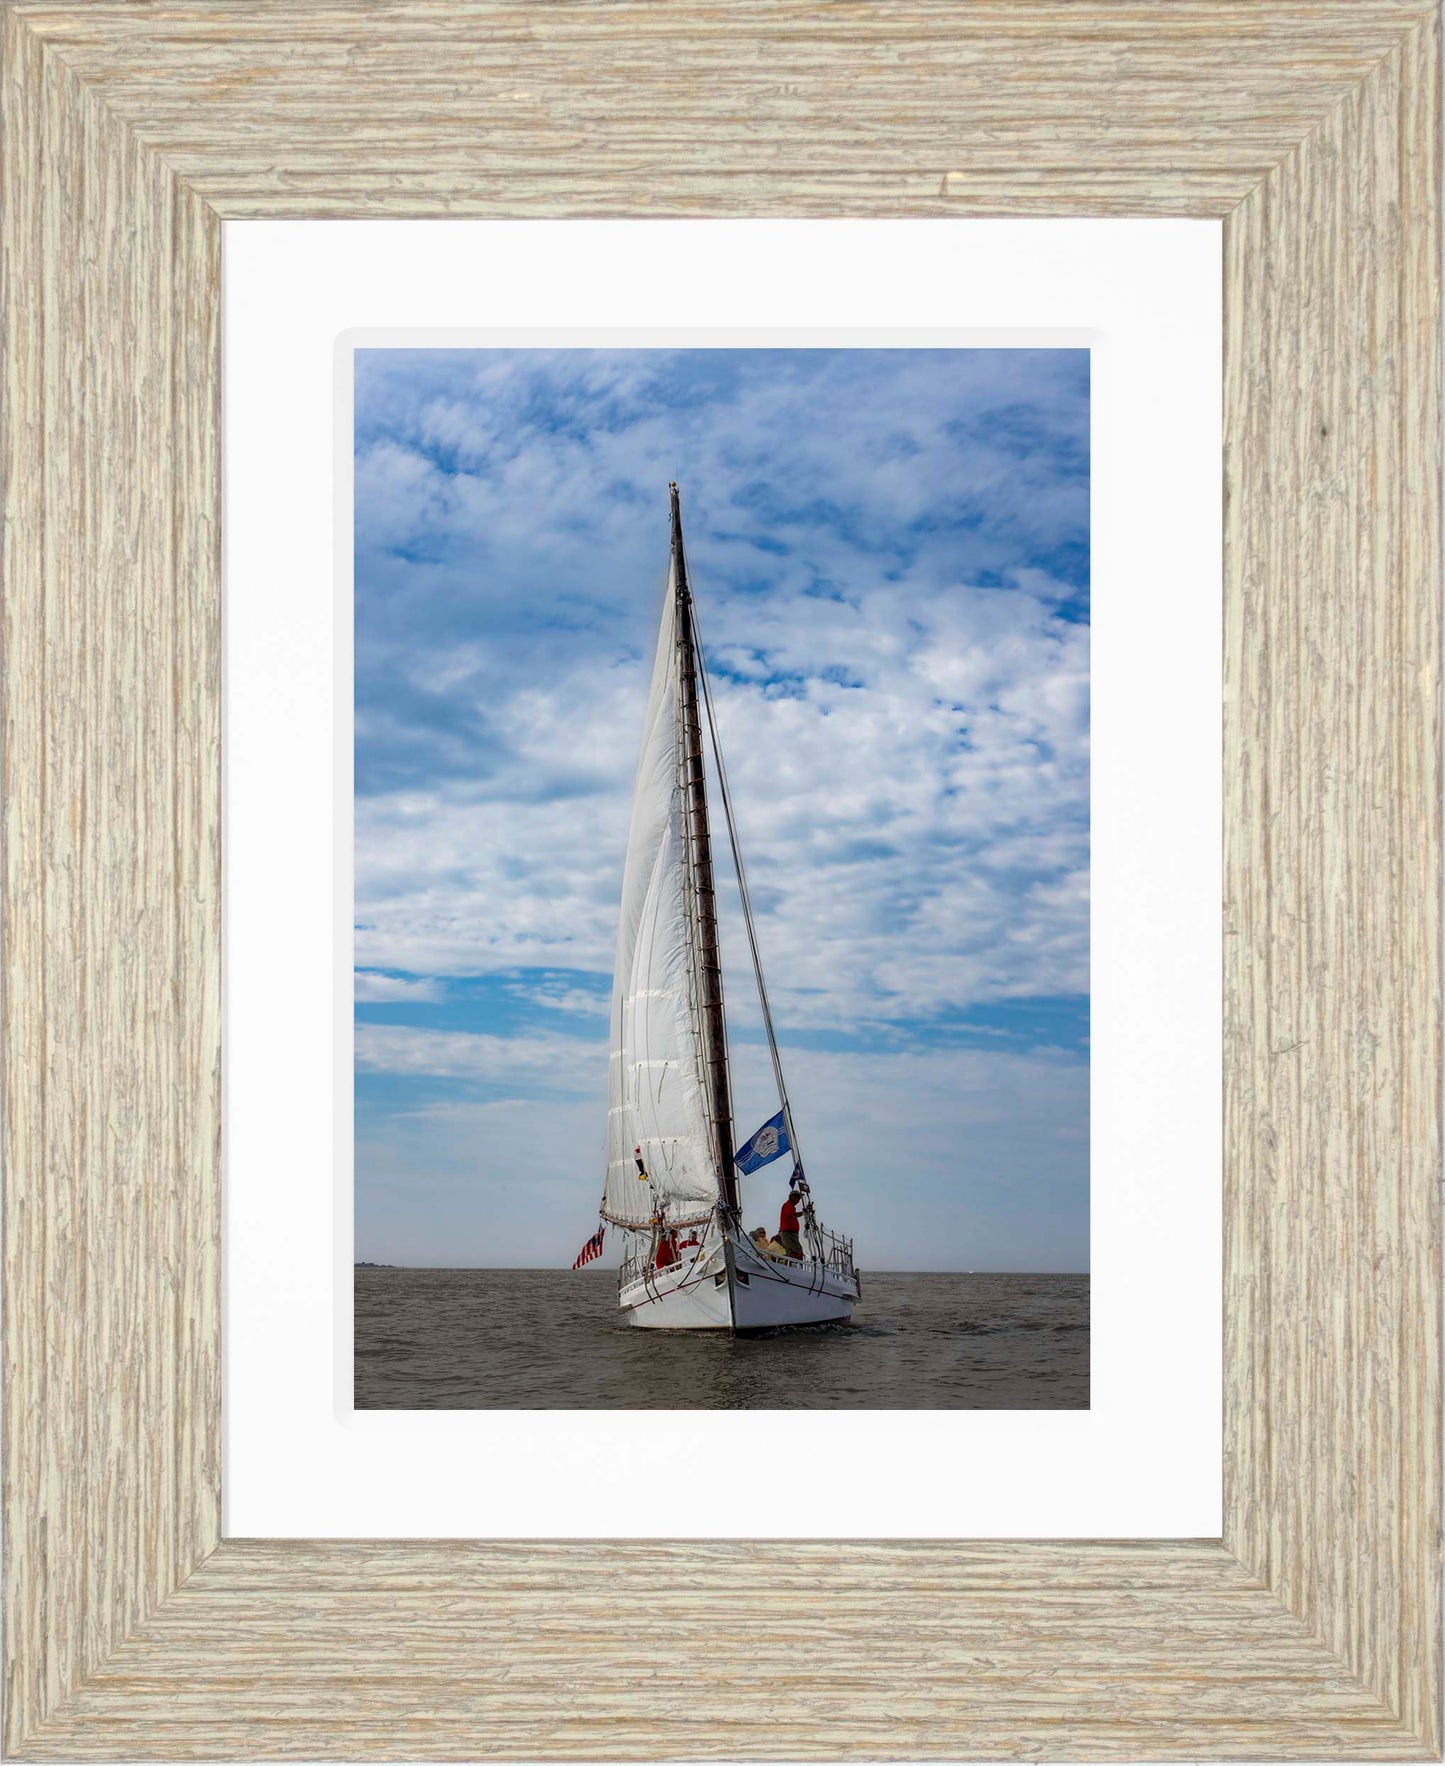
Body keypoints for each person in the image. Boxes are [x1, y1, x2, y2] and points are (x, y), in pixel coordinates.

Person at [777, 1189, 804, 1261]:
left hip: (792, 1234)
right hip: (788, 1233)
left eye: (799, 1197)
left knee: (798, 1252)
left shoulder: (791, 1207)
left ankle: (787, 1263)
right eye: (796, 1196)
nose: (798, 1199)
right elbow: (793, 1215)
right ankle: (780, 1261)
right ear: (790, 1196)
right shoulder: (787, 1205)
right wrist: (804, 1212)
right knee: (797, 1253)